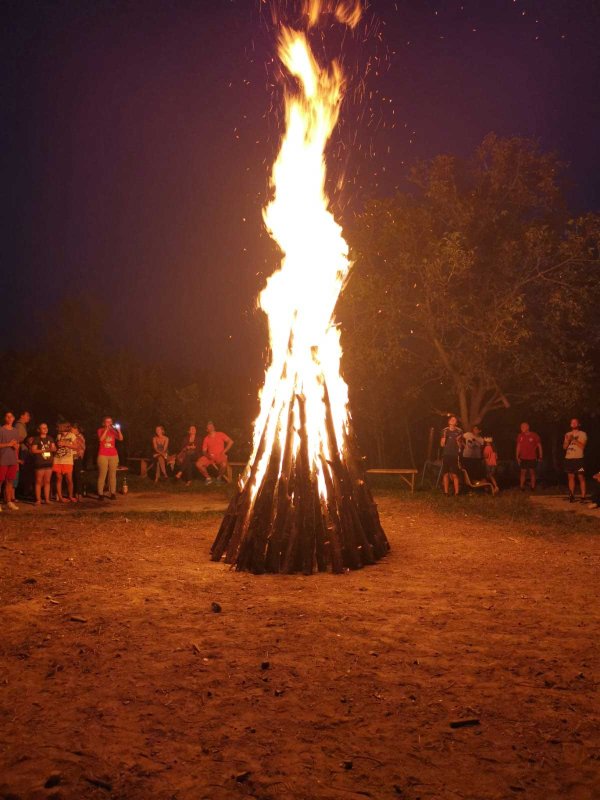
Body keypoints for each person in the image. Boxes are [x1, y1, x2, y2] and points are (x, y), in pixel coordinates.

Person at [97, 416, 123, 500]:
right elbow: (101, 439)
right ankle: (100, 494)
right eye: (107, 421)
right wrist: (106, 430)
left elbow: (121, 438)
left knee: (113, 475)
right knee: (102, 475)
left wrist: (118, 430)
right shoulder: (100, 430)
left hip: (113, 455)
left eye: (110, 421)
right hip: (103, 455)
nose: (109, 423)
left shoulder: (113, 431)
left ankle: (113, 493)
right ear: (104, 423)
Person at [30, 423, 56, 505]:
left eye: (46, 427)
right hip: (40, 462)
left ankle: (47, 499)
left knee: (47, 481)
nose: (45, 429)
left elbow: (54, 448)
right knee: (38, 481)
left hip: (49, 462)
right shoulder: (37, 439)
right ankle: (38, 499)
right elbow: (33, 450)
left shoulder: (50, 438)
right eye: (43, 428)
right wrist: (44, 451)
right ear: (39, 430)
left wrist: (53, 448)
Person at [563, 418, 587, 503]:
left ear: (578, 424)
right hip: (569, 458)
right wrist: (568, 440)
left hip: (579, 459)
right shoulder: (567, 434)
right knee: (570, 477)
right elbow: (564, 447)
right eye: (572, 422)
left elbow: (582, 446)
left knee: (581, 476)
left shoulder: (582, 434)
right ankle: (571, 495)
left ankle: (583, 496)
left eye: (575, 422)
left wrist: (574, 439)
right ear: (570, 425)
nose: (573, 424)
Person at [0, 411, 20, 510]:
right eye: (7, 416)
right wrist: (8, 444)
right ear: (5, 418)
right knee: (0, 481)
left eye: (11, 416)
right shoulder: (1, 430)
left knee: (10, 481)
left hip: (12, 460)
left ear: (13, 418)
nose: (9, 418)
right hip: (2, 460)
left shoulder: (15, 431)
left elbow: (17, 444)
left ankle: (8, 501)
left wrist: (16, 446)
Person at [53, 422, 78, 503]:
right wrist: (57, 445)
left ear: (65, 427)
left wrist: (65, 444)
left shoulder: (72, 435)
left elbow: (76, 446)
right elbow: (56, 446)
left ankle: (70, 496)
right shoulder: (58, 435)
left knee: (69, 479)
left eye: (60, 426)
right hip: (57, 459)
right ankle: (60, 497)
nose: (58, 428)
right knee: (58, 478)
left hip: (67, 460)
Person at [440, 415, 463, 497]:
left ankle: (457, 493)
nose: (453, 420)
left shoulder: (459, 431)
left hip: (454, 455)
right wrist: (444, 437)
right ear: (449, 422)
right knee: (445, 473)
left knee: (454, 474)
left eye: (455, 420)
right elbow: (442, 445)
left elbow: (460, 446)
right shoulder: (444, 430)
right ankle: (446, 492)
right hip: (446, 454)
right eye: (451, 419)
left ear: (456, 423)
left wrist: (458, 441)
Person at [516, 422, 542, 491]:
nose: (521, 428)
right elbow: (518, 446)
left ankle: (533, 487)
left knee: (532, 472)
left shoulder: (534, 435)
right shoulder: (520, 436)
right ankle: (521, 487)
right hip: (522, 458)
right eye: (521, 427)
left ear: (528, 427)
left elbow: (539, 446)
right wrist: (517, 456)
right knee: (522, 472)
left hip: (532, 457)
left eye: (523, 427)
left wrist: (540, 456)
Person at [14, 410, 32, 498]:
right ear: (22, 416)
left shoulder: (22, 425)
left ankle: (22, 491)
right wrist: (27, 441)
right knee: (21, 470)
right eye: (27, 415)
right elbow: (19, 439)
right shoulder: (19, 425)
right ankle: (20, 492)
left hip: (23, 450)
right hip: (21, 451)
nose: (29, 417)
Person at [71, 423, 86, 499]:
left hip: (77, 458)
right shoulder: (70, 436)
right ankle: (73, 492)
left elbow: (81, 448)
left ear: (77, 429)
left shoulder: (80, 437)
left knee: (78, 476)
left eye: (73, 428)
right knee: (71, 476)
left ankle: (79, 492)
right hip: (69, 458)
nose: (72, 430)